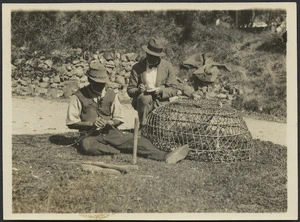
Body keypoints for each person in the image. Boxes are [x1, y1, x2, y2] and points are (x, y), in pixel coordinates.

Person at [66, 60, 189, 164]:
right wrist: (91, 124)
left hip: (110, 133)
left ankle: (165, 156)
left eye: (102, 84)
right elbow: (71, 123)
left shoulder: (111, 95)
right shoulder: (78, 96)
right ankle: (118, 150)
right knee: (87, 146)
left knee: (138, 140)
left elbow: (119, 119)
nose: (100, 87)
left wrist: (109, 122)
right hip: (89, 135)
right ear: (89, 80)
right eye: (97, 84)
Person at [127, 38, 178, 129]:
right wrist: (138, 90)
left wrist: (161, 90)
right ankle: (142, 127)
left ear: (160, 56)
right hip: (144, 103)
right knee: (145, 98)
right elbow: (130, 90)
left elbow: (174, 89)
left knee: (158, 130)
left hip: (161, 101)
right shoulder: (137, 67)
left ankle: (156, 127)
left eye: (155, 56)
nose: (153, 58)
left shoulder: (167, 66)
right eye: (150, 55)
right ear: (146, 53)